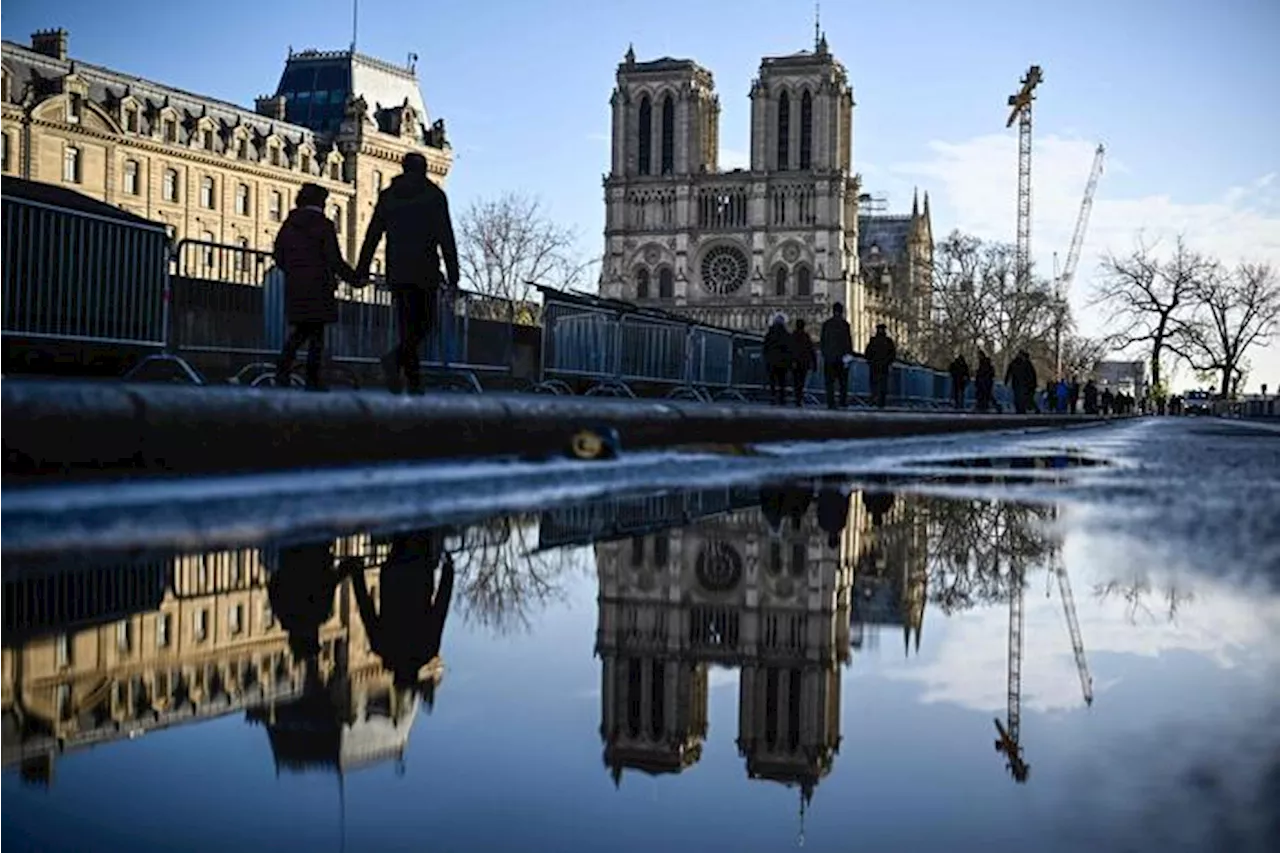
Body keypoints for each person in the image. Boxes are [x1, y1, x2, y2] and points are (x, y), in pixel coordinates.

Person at [355, 152, 460, 395]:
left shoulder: (389, 196)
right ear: (424, 169)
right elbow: (446, 236)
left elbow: (373, 234)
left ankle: (411, 378)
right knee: (425, 325)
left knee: (406, 325)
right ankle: (401, 367)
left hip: (397, 269)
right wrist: (453, 275)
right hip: (425, 269)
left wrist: (362, 269)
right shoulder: (434, 196)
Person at [272, 183, 360, 390]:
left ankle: (284, 368)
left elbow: (279, 255)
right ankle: (310, 378)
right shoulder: (324, 225)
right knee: (316, 334)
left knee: (301, 330)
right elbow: (335, 259)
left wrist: (294, 271)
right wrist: (354, 279)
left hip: (296, 284)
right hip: (319, 284)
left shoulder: (289, 224)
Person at [819, 303, 854, 410]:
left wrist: (825, 354)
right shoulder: (845, 325)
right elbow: (848, 343)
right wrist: (848, 355)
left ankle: (831, 402)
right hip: (842, 359)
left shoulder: (826, 324)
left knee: (830, 383)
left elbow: (823, 341)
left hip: (830, 358)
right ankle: (842, 401)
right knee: (843, 383)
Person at [865, 324, 897, 408]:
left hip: (874, 366)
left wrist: (870, 362)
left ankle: (874, 399)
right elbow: (892, 354)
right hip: (883, 366)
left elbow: (867, 353)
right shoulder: (888, 341)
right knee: (883, 384)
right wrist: (888, 362)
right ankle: (881, 402)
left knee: (874, 384)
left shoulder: (873, 341)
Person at [764, 313, 791, 406]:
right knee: (782, 381)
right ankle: (782, 398)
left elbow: (765, 346)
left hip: (771, 360)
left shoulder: (770, 333)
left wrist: (766, 357)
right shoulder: (786, 334)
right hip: (783, 361)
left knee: (772, 381)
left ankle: (772, 397)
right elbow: (789, 348)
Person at [790, 318, 816, 408]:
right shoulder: (806, 336)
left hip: (795, 363)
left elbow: (790, 350)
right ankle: (799, 398)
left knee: (795, 381)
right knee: (801, 381)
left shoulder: (792, 336)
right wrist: (814, 363)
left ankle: (797, 398)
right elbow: (811, 350)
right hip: (804, 362)